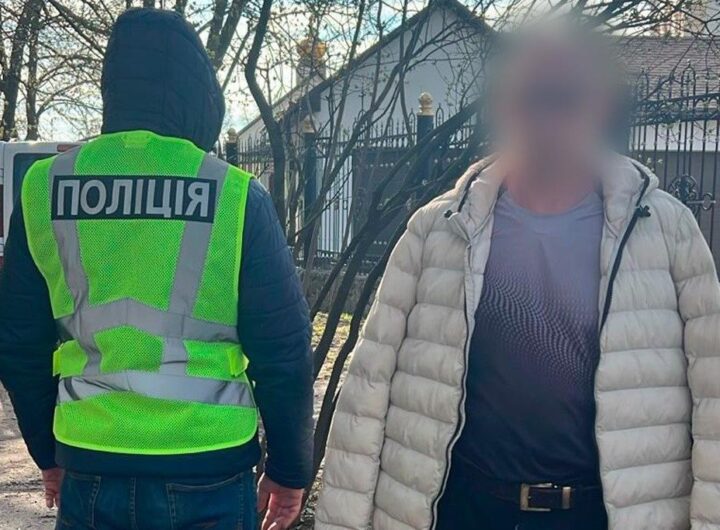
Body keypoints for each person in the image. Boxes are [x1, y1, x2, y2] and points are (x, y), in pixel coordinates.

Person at [314, 24, 720, 530]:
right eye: (530, 98)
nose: (547, 119)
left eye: (565, 98)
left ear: (600, 106)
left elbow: (713, 395)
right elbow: (368, 389)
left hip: (605, 516)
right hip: (462, 511)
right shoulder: (438, 230)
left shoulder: (665, 230)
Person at [0, 8, 313, 530]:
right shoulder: (234, 195)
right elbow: (283, 349)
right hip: (209, 467)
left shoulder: (44, 188)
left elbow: (18, 341)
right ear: (198, 95)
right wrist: (289, 468)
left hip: (91, 463)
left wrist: (48, 453)